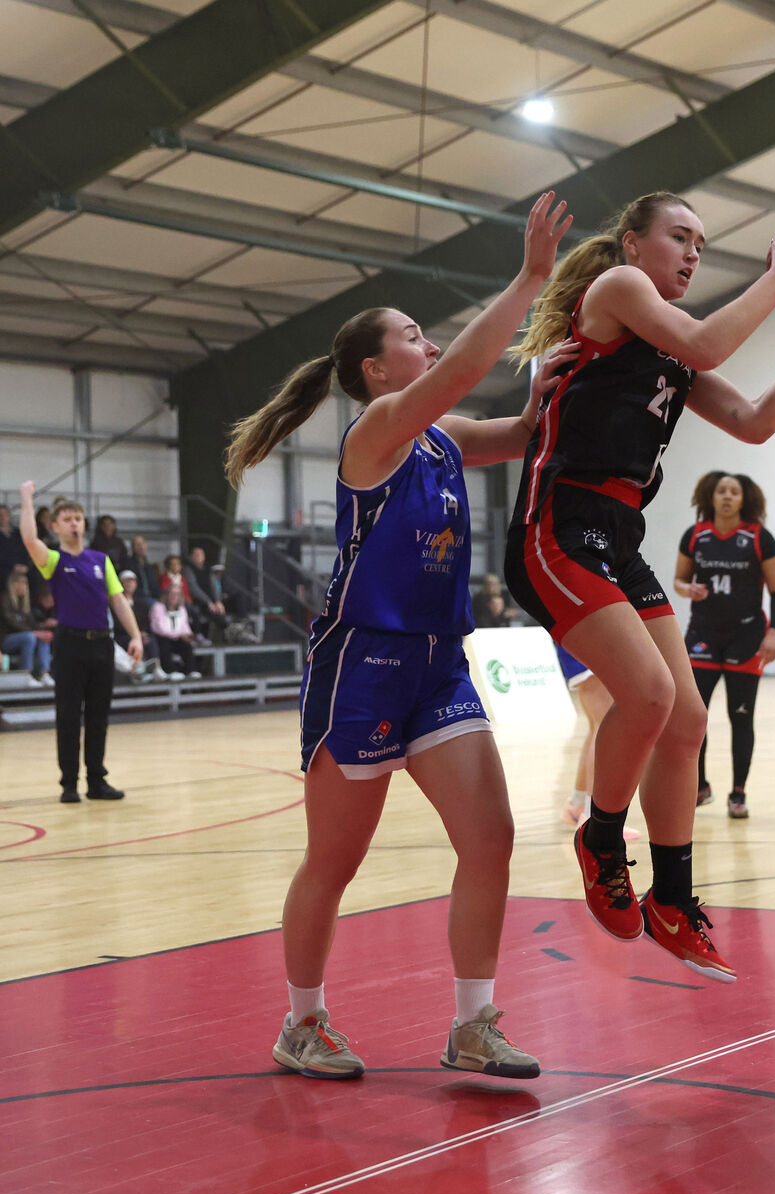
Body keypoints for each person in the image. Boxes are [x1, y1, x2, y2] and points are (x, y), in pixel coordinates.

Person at [224, 191, 572, 1081]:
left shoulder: (441, 440)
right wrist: (530, 277)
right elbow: (455, 377)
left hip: (436, 665)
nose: (427, 341)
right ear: (379, 371)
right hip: (361, 667)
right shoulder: (377, 431)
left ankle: (472, 1023)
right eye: (413, 334)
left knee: (490, 836)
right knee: (334, 861)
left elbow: (529, 434)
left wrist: (572, 362)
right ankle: (301, 1023)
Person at [504, 191, 775, 984]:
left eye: (702, 242)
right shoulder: (620, 292)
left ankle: (673, 899)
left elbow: (755, 421)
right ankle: (602, 840)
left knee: (687, 718)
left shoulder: (672, 345)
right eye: (680, 237)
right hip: (558, 527)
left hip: (620, 536)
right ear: (633, 244)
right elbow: (708, 344)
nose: (694, 253)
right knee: (646, 695)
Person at [19, 484, 143, 803]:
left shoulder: (100, 560)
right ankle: (69, 784)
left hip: (101, 644)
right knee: (69, 715)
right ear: (56, 526)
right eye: (68, 519)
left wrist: (136, 636)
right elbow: (30, 540)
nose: (74, 523)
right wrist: (27, 498)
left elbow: (118, 601)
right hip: (70, 645)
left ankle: (97, 781)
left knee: (99, 717)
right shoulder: (54, 560)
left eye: (78, 518)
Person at [674, 471, 775, 820]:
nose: (726, 497)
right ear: (710, 496)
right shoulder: (695, 536)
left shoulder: (759, 538)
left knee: (741, 717)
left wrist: (773, 633)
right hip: (703, 634)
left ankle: (738, 793)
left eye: (733, 492)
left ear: (743, 499)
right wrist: (686, 589)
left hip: (747, 637)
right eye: (721, 491)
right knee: (694, 716)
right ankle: (700, 786)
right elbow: (679, 580)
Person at [556, 643, 640, 840]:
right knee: (605, 726)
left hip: (581, 638)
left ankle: (577, 805)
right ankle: (592, 816)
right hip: (589, 636)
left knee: (597, 725)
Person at [1, 564, 54, 686]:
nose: (22, 587)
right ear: (12, 585)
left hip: (25, 636)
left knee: (44, 638)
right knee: (30, 637)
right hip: (6, 639)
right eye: (19, 583)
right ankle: (27, 674)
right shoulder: (5, 599)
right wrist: (34, 633)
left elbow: (32, 624)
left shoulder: (24, 603)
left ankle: (44, 673)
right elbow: (12, 623)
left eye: (24, 584)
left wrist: (42, 627)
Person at [149, 582, 202, 680]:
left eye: (177, 594)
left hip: (177, 638)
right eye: (172, 593)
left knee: (187, 646)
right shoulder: (158, 608)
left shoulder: (182, 609)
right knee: (164, 644)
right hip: (162, 638)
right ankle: (170, 671)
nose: (174, 596)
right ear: (166, 595)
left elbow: (185, 626)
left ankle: (190, 670)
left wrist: (188, 635)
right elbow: (161, 629)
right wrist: (180, 635)